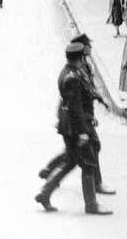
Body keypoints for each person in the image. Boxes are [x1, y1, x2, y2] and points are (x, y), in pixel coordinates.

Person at [34, 43, 111, 216]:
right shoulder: (74, 78)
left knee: (69, 161)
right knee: (89, 164)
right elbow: (76, 107)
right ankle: (91, 204)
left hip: (68, 125)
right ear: (80, 58)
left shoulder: (66, 72)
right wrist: (83, 131)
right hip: (75, 128)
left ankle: (45, 193)